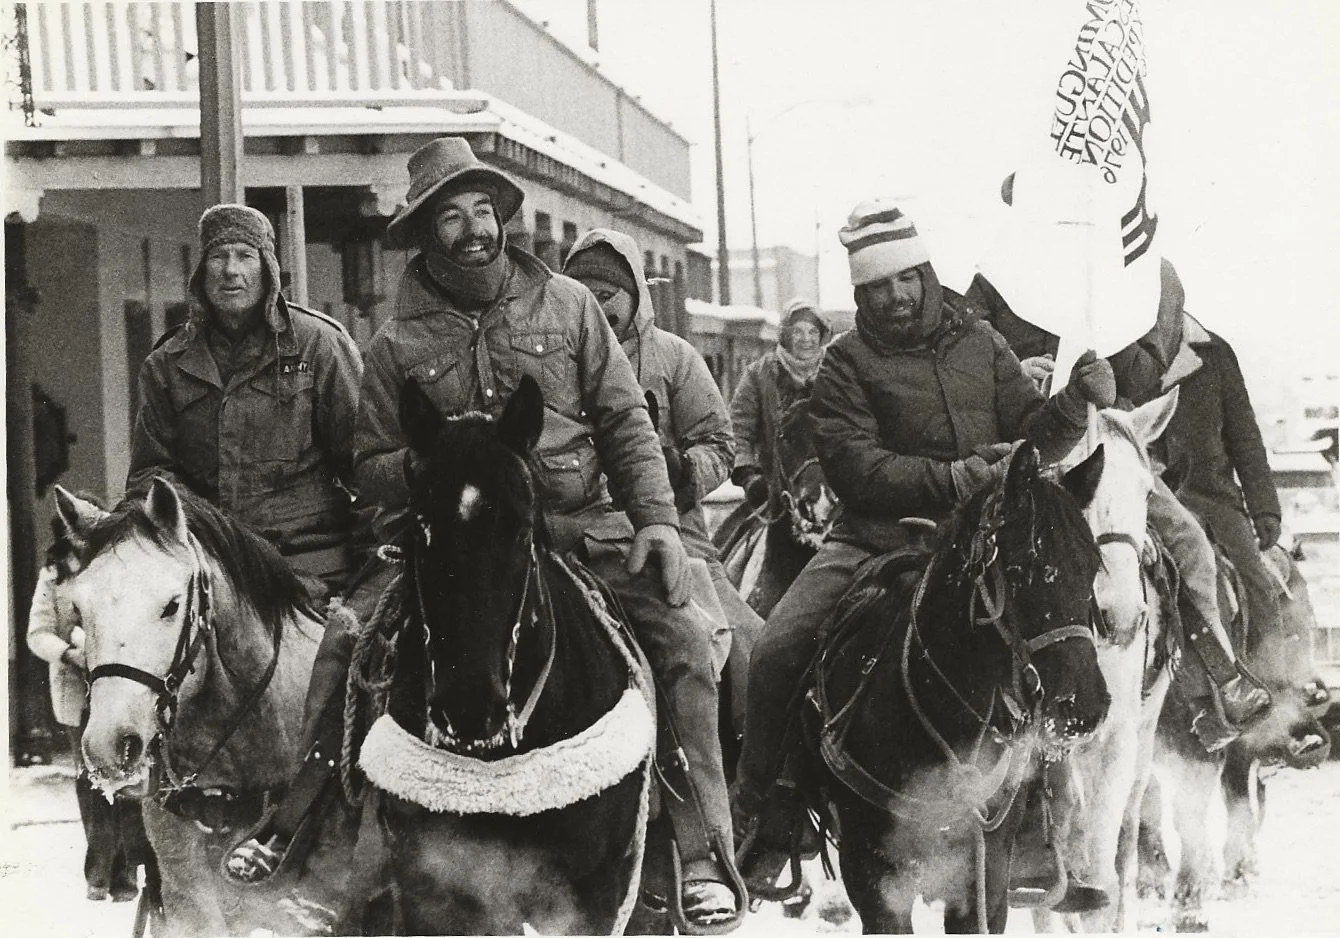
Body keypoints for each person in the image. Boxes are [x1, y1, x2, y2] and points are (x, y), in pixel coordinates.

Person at [230, 138, 742, 932]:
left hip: (582, 527)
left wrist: (658, 525)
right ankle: (309, 835)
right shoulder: (395, 343)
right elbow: (368, 463)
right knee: (345, 640)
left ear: (501, 217)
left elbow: (624, 421)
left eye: (481, 210)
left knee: (685, 639)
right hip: (450, 543)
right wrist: (436, 469)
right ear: (426, 232)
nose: (471, 229)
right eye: (450, 217)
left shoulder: (569, 307)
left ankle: (700, 845)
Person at [730, 199, 1118, 889]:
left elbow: (1030, 436)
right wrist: (956, 477)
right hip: (874, 540)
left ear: (925, 273)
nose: (895, 295)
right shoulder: (845, 362)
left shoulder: (982, 344)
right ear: (861, 293)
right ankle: (769, 810)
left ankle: (1043, 826)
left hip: (983, 541)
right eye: (877, 285)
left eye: (904, 277)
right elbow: (855, 467)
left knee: (1050, 637)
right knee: (777, 649)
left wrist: (1072, 405)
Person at [965, 258, 1272, 751]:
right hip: (1030, 444)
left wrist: (1112, 365)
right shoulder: (994, 280)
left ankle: (1216, 680)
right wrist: (1015, 375)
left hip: (1108, 435)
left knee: (1191, 542)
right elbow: (969, 363)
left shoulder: (1110, 269)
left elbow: (1149, 367)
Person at [564, 227, 765, 737]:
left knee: (752, 647)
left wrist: (681, 470)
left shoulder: (674, 358)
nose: (595, 308)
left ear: (635, 295)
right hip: (579, 532)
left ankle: (749, 761)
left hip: (676, 534)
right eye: (583, 295)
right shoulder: (554, 361)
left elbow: (720, 443)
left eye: (607, 295)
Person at [127, 204, 363, 605]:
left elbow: (365, 462)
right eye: (218, 256)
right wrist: (205, 525)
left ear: (267, 268)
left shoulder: (318, 345)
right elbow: (148, 474)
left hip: (310, 569)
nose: (231, 270)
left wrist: (370, 566)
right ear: (201, 272)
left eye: (245, 256)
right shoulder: (167, 363)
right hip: (212, 569)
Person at [27, 505, 153, 904]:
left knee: (127, 774)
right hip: (77, 692)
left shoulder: (116, 564)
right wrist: (68, 653)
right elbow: (38, 632)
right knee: (91, 783)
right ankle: (99, 872)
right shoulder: (54, 576)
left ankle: (128, 872)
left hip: (117, 688)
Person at [1152, 296, 1284, 654]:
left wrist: (1264, 508)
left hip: (1212, 499)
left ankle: (1273, 675)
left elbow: (1245, 437)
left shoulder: (1214, 353)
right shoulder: (1116, 352)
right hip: (1146, 496)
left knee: (1256, 583)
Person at [728, 299, 832, 512]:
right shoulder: (759, 375)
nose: (806, 339)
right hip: (775, 487)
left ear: (822, 336)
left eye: (813, 332)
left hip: (832, 483)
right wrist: (748, 476)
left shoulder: (836, 373)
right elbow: (738, 430)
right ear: (785, 335)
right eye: (798, 332)